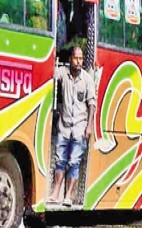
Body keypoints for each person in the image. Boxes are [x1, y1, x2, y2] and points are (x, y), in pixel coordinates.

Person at [51, 46, 96, 207]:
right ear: (70, 59)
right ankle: (56, 193)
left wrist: (89, 127)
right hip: (64, 126)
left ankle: (68, 196)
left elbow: (92, 104)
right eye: (76, 58)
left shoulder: (87, 79)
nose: (78, 62)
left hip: (79, 127)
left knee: (74, 162)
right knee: (60, 160)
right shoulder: (63, 73)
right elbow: (51, 75)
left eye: (81, 59)